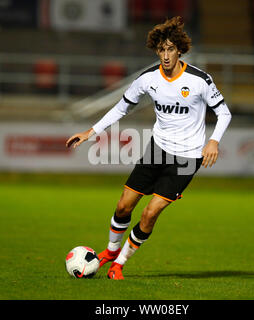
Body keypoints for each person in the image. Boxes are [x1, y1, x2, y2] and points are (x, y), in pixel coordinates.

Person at [66, 16, 232, 280]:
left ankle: (118, 264)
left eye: (170, 49)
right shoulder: (147, 79)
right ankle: (109, 251)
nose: (165, 56)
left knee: (150, 213)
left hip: (187, 157)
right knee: (123, 206)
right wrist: (91, 132)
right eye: (161, 50)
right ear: (157, 51)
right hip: (157, 150)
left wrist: (214, 141)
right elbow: (122, 107)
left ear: (179, 50)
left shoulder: (200, 80)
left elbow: (224, 113)